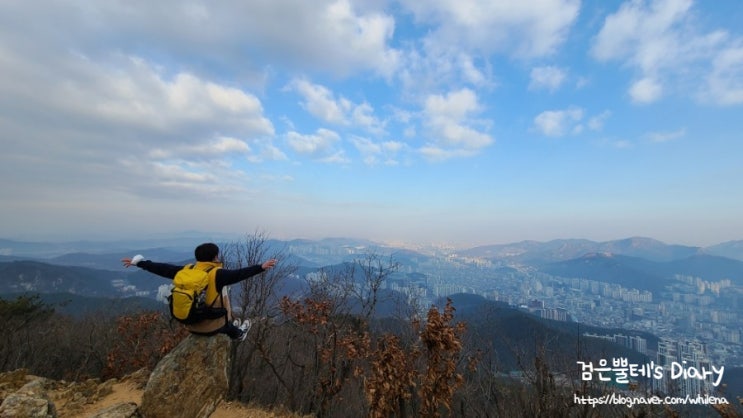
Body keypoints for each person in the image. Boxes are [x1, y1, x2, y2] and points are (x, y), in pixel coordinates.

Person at [122, 242, 277, 341]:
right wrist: (260, 267)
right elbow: (240, 274)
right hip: (212, 327)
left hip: (191, 324)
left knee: (214, 307)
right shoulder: (218, 274)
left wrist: (140, 263)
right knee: (225, 316)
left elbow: (162, 268)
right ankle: (238, 333)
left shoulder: (187, 270)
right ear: (215, 257)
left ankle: (231, 324)